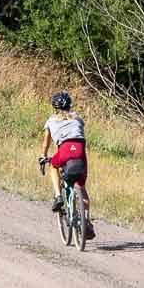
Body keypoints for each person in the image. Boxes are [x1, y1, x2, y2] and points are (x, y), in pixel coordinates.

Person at [39, 90, 93, 240]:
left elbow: (46, 143)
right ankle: (86, 221)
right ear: (70, 105)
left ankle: (58, 196)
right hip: (80, 151)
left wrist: (44, 156)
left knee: (53, 166)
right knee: (81, 188)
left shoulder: (51, 121)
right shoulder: (78, 119)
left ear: (54, 107)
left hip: (64, 150)